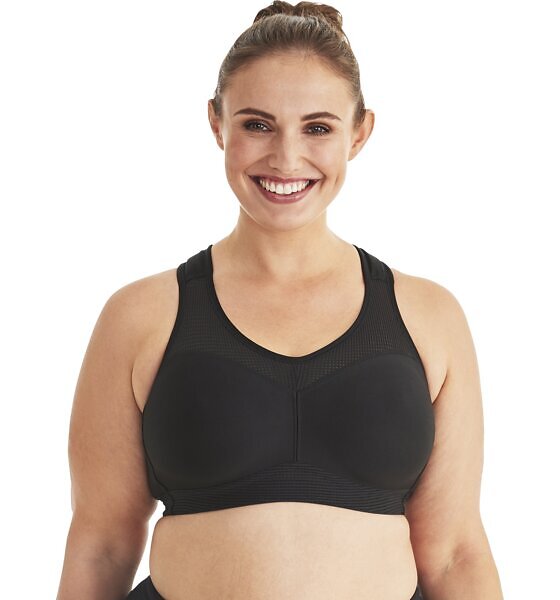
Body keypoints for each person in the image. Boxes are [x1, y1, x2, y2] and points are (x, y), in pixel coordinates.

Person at [56, 2, 504, 599]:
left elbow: (454, 555)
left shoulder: (429, 317)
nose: (286, 158)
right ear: (217, 123)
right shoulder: (140, 316)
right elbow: (101, 545)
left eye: (317, 128)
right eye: (257, 125)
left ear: (359, 133)